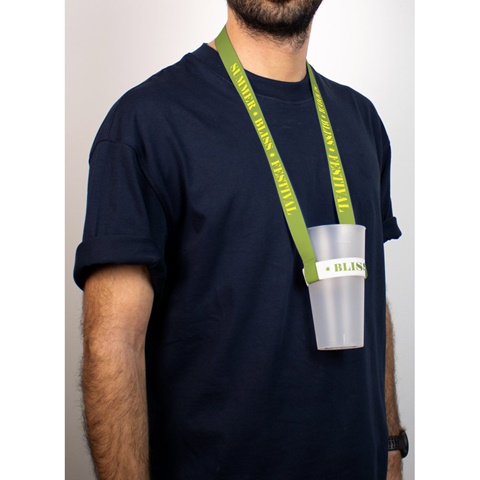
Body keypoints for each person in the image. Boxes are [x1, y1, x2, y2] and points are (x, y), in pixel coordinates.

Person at [74, 0, 407, 478]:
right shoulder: (145, 124)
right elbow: (113, 344)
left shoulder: (362, 122)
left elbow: (372, 300)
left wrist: (391, 444)